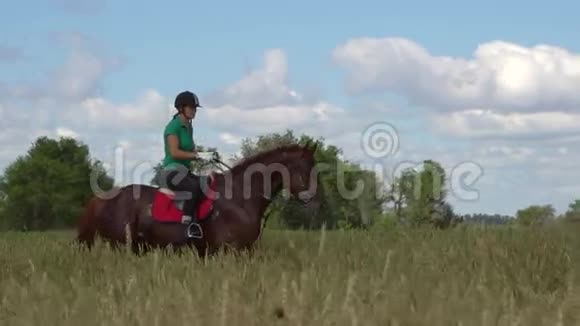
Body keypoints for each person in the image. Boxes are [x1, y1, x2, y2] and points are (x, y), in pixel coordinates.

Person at [159, 90, 205, 238]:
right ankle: (187, 225)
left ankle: (199, 222)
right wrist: (195, 156)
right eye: (191, 107)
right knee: (193, 187)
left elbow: (191, 151)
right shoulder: (173, 127)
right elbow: (174, 153)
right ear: (181, 108)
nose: (194, 111)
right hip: (171, 172)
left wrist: (205, 155)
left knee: (206, 184)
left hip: (185, 171)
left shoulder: (189, 127)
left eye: (195, 108)